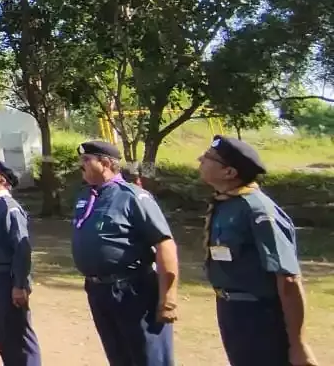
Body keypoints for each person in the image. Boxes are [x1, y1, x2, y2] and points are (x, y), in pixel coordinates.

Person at [198, 136, 318, 366]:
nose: (200, 159)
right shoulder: (226, 204)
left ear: (229, 173)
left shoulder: (257, 209)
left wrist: (298, 343)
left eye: (208, 157)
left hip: (259, 315)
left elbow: (289, 279)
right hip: (232, 310)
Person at [70, 140, 178, 366]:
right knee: (119, 356)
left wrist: (168, 299)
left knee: (148, 357)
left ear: (106, 163)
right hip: (98, 290)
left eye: (86, 160)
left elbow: (164, 244)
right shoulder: (86, 196)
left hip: (132, 290)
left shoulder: (132, 197)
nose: (81, 165)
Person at [0, 160, 41, 366]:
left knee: (19, 333)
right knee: (3, 331)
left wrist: (19, 284)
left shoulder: (8, 207)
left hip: (8, 277)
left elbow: (22, 248)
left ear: (2, 179)